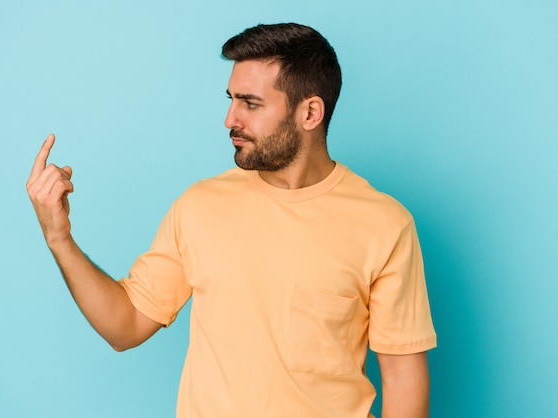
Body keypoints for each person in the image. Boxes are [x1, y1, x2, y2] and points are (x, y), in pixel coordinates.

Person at [27, 23, 436, 418]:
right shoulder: (200, 206)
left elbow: (402, 375)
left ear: (310, 112)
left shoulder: (384, 224)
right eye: (231, 99)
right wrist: (59, 237)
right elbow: (126, 326)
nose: (230, 119)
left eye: (250, 103)